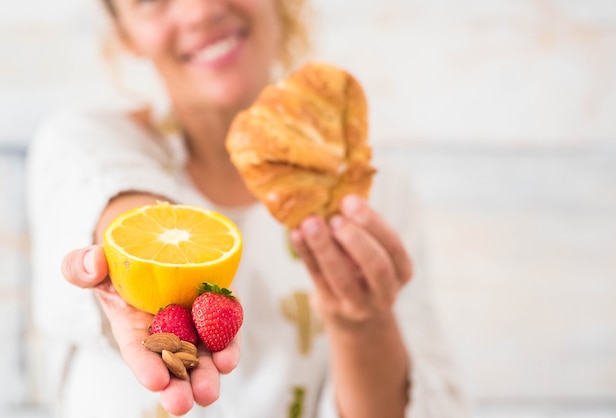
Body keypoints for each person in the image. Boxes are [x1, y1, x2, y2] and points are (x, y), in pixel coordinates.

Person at [26, 0, 470, 417]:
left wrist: (362, 325)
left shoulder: (372, 198)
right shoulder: (84, 140)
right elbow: (115, 188)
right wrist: (145, 248)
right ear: (126, 36)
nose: (200, 10)